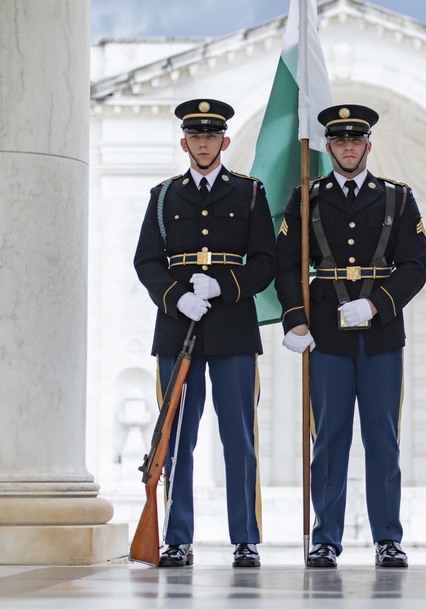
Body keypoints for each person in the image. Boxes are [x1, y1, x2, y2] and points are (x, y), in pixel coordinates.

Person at [275, 104, 426, 568]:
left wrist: (377, 303)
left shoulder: (398, 198)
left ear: (367, 145)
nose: (347, 147)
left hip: (380, 334)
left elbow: (416, 267)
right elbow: (287, 264)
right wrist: (296, 318)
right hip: (326, 334)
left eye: (355, 140)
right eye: (339, 141)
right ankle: (326, 538)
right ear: (327, 147)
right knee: (330, 439)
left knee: (383, 438)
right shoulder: (306, 198)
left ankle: (388, 538)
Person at [134, 98, 277, 568]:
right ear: (184, 142)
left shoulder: (250, 194)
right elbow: (146, 262)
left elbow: (265, 261)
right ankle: (177, 536)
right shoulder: (163, 197)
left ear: (224, 142)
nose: (203, 143)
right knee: (177, 436)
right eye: (195, 136)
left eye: (211, 136)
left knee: (238, 435)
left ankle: (246, 538)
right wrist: (177, 296)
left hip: (233, 325)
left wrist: (224, 285)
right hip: (178, 326)